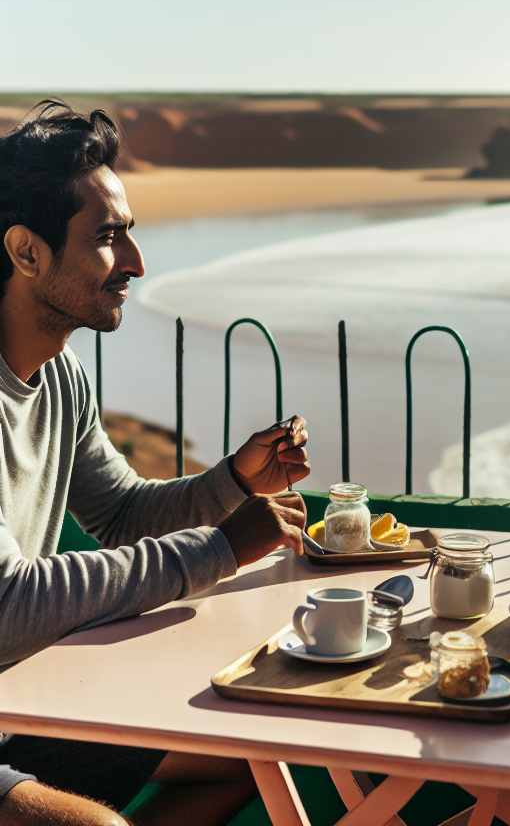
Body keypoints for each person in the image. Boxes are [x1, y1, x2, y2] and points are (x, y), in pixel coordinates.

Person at [0, 102, 312, 825]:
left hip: (22, 703)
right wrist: (221, 547)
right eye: (109, 239)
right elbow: (8, 603)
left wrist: (233, 482)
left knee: (251, 755)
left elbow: (121, 515)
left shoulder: (60, 375)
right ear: (26, 251)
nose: (137, 264)